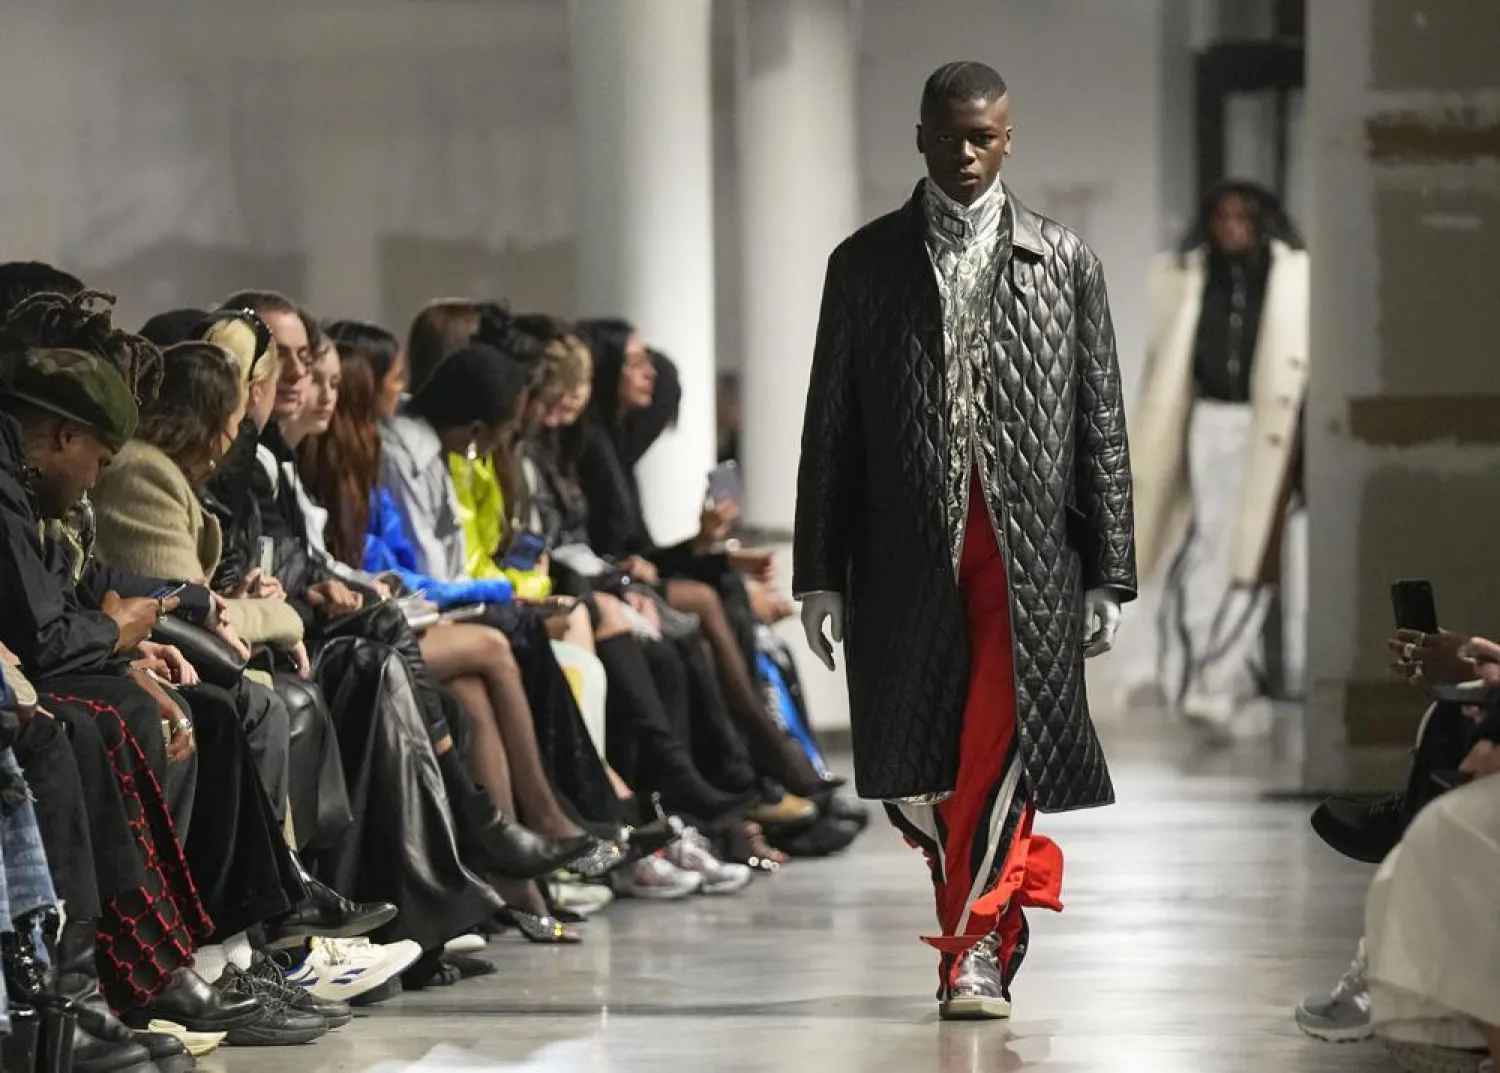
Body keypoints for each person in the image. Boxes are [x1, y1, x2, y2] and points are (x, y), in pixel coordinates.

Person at [793, 60, 1135, 1021]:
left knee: (1000, 742)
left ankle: (973, 950)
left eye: (983, 136)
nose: (965, 154)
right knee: (930, 767)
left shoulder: (1064, 261)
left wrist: (1109, 570)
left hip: (1029, 553)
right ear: (919, 138)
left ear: (1009, 138)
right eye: (947, 136)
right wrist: (819, 574)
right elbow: (830, 429)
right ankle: (980, 921)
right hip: (902, 554)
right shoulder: (864, 264)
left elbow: (1101, 423)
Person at [1131, 181, 1309, 736]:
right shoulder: (1184, 275)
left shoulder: (1293, 276)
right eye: (1223, 216)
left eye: (1243, 217)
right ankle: (1197, 680)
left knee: (1251, 556)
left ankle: (1217, 679)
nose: (1233, 227)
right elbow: (1165, 359)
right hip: (1207, 418)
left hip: (1268, 426)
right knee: (1207, 546)